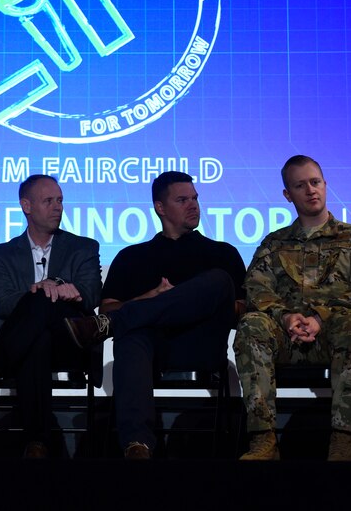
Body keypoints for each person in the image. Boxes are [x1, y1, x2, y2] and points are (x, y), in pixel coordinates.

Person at [65, 171, 245, 459]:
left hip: (201, 343)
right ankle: (137, 445)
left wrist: (186, 299)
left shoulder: (222, 252)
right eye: (183, 199)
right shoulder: (132, 257)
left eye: (195, 198)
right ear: (160, 208)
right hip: (153, 349)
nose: (193, 205)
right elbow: (107, 308)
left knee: (219, 280)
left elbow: (241, 311)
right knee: (131, 338)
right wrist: (149, 298)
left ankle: (107, 327)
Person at [234, 155, 351, 461]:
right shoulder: (274, 244)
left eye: (315, 182)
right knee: (251, 325)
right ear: (288, 195)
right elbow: (256, 290)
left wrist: (321, 317)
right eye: (300, 186)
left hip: (332, 338)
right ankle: (263, 440)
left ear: (325, 185)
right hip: (286, 338)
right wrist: (287, 316)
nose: (310, 190)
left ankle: (344, 441)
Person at [0, 174, 101, 459]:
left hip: (69, 340)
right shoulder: (0, 254)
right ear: (26, 206)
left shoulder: (84, 247)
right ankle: (37, 444)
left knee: (43, 306)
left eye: (60, 200)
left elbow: (91, 294)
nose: (57, 207)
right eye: (49, 201)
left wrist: (54, 286)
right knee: (37, 337)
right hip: (25, 343)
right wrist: (39, 291)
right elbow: (0, 301)